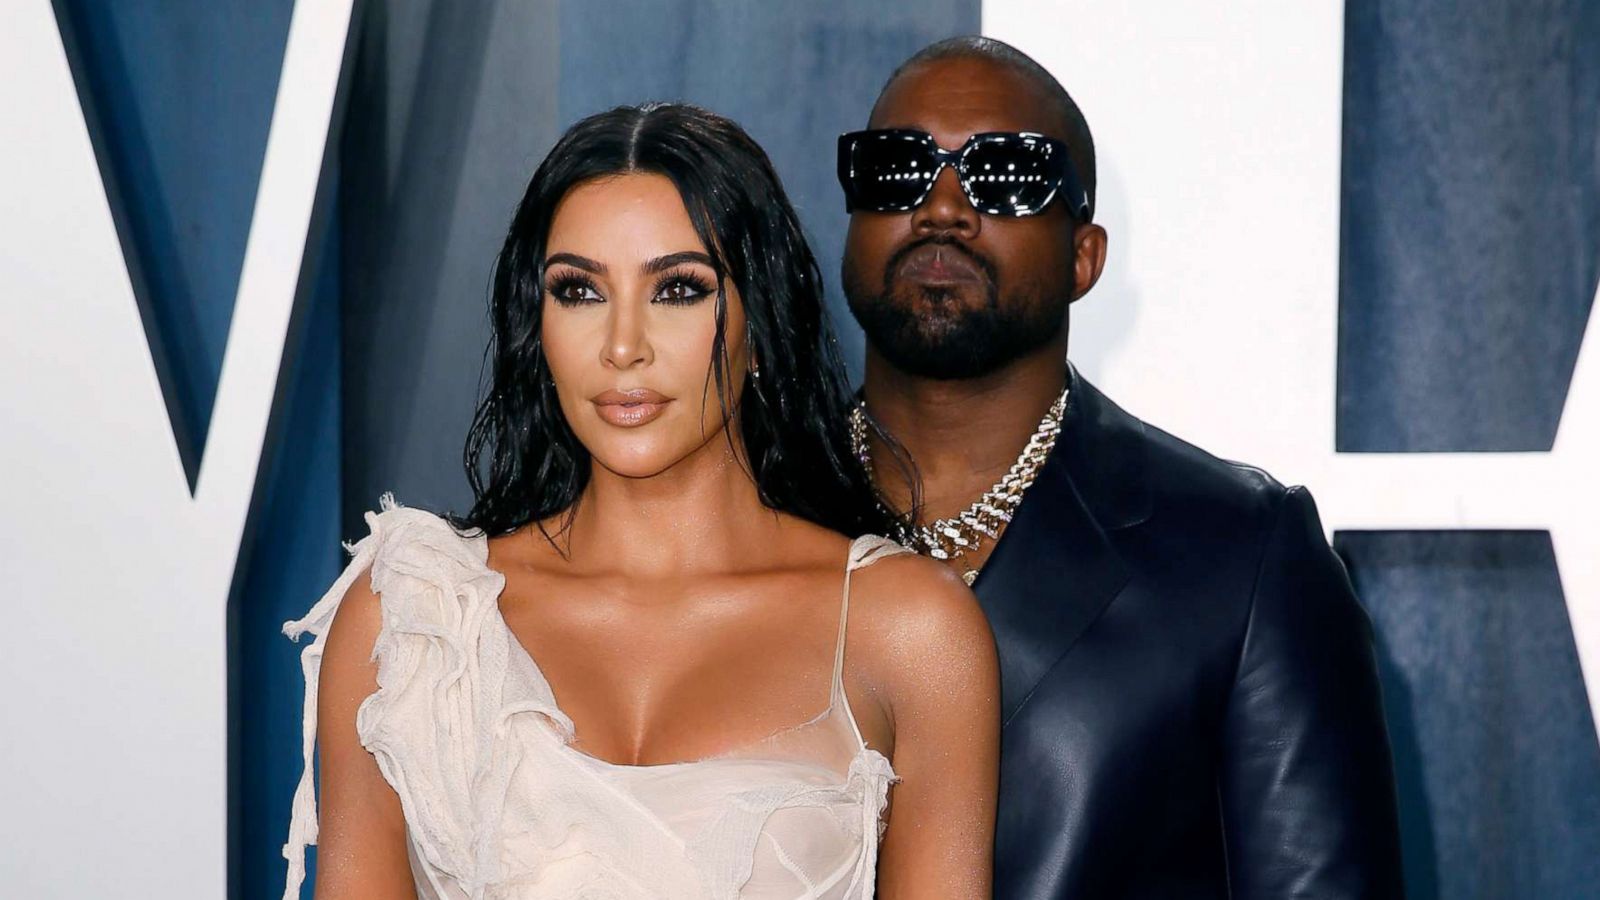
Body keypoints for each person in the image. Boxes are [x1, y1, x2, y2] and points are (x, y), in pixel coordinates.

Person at [281, 102, 999, 899]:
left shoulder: (907, 629)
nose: (623, 346)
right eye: (580, 291)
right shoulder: (415, 621)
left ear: (760, 320)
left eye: (679, 290)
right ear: (537, 324)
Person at [838, 37, 1406, 899]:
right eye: (896, 169)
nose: (942, 206)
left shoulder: (1242, 554)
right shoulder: (747, 510)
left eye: (1006, 176)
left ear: (1084, 257)